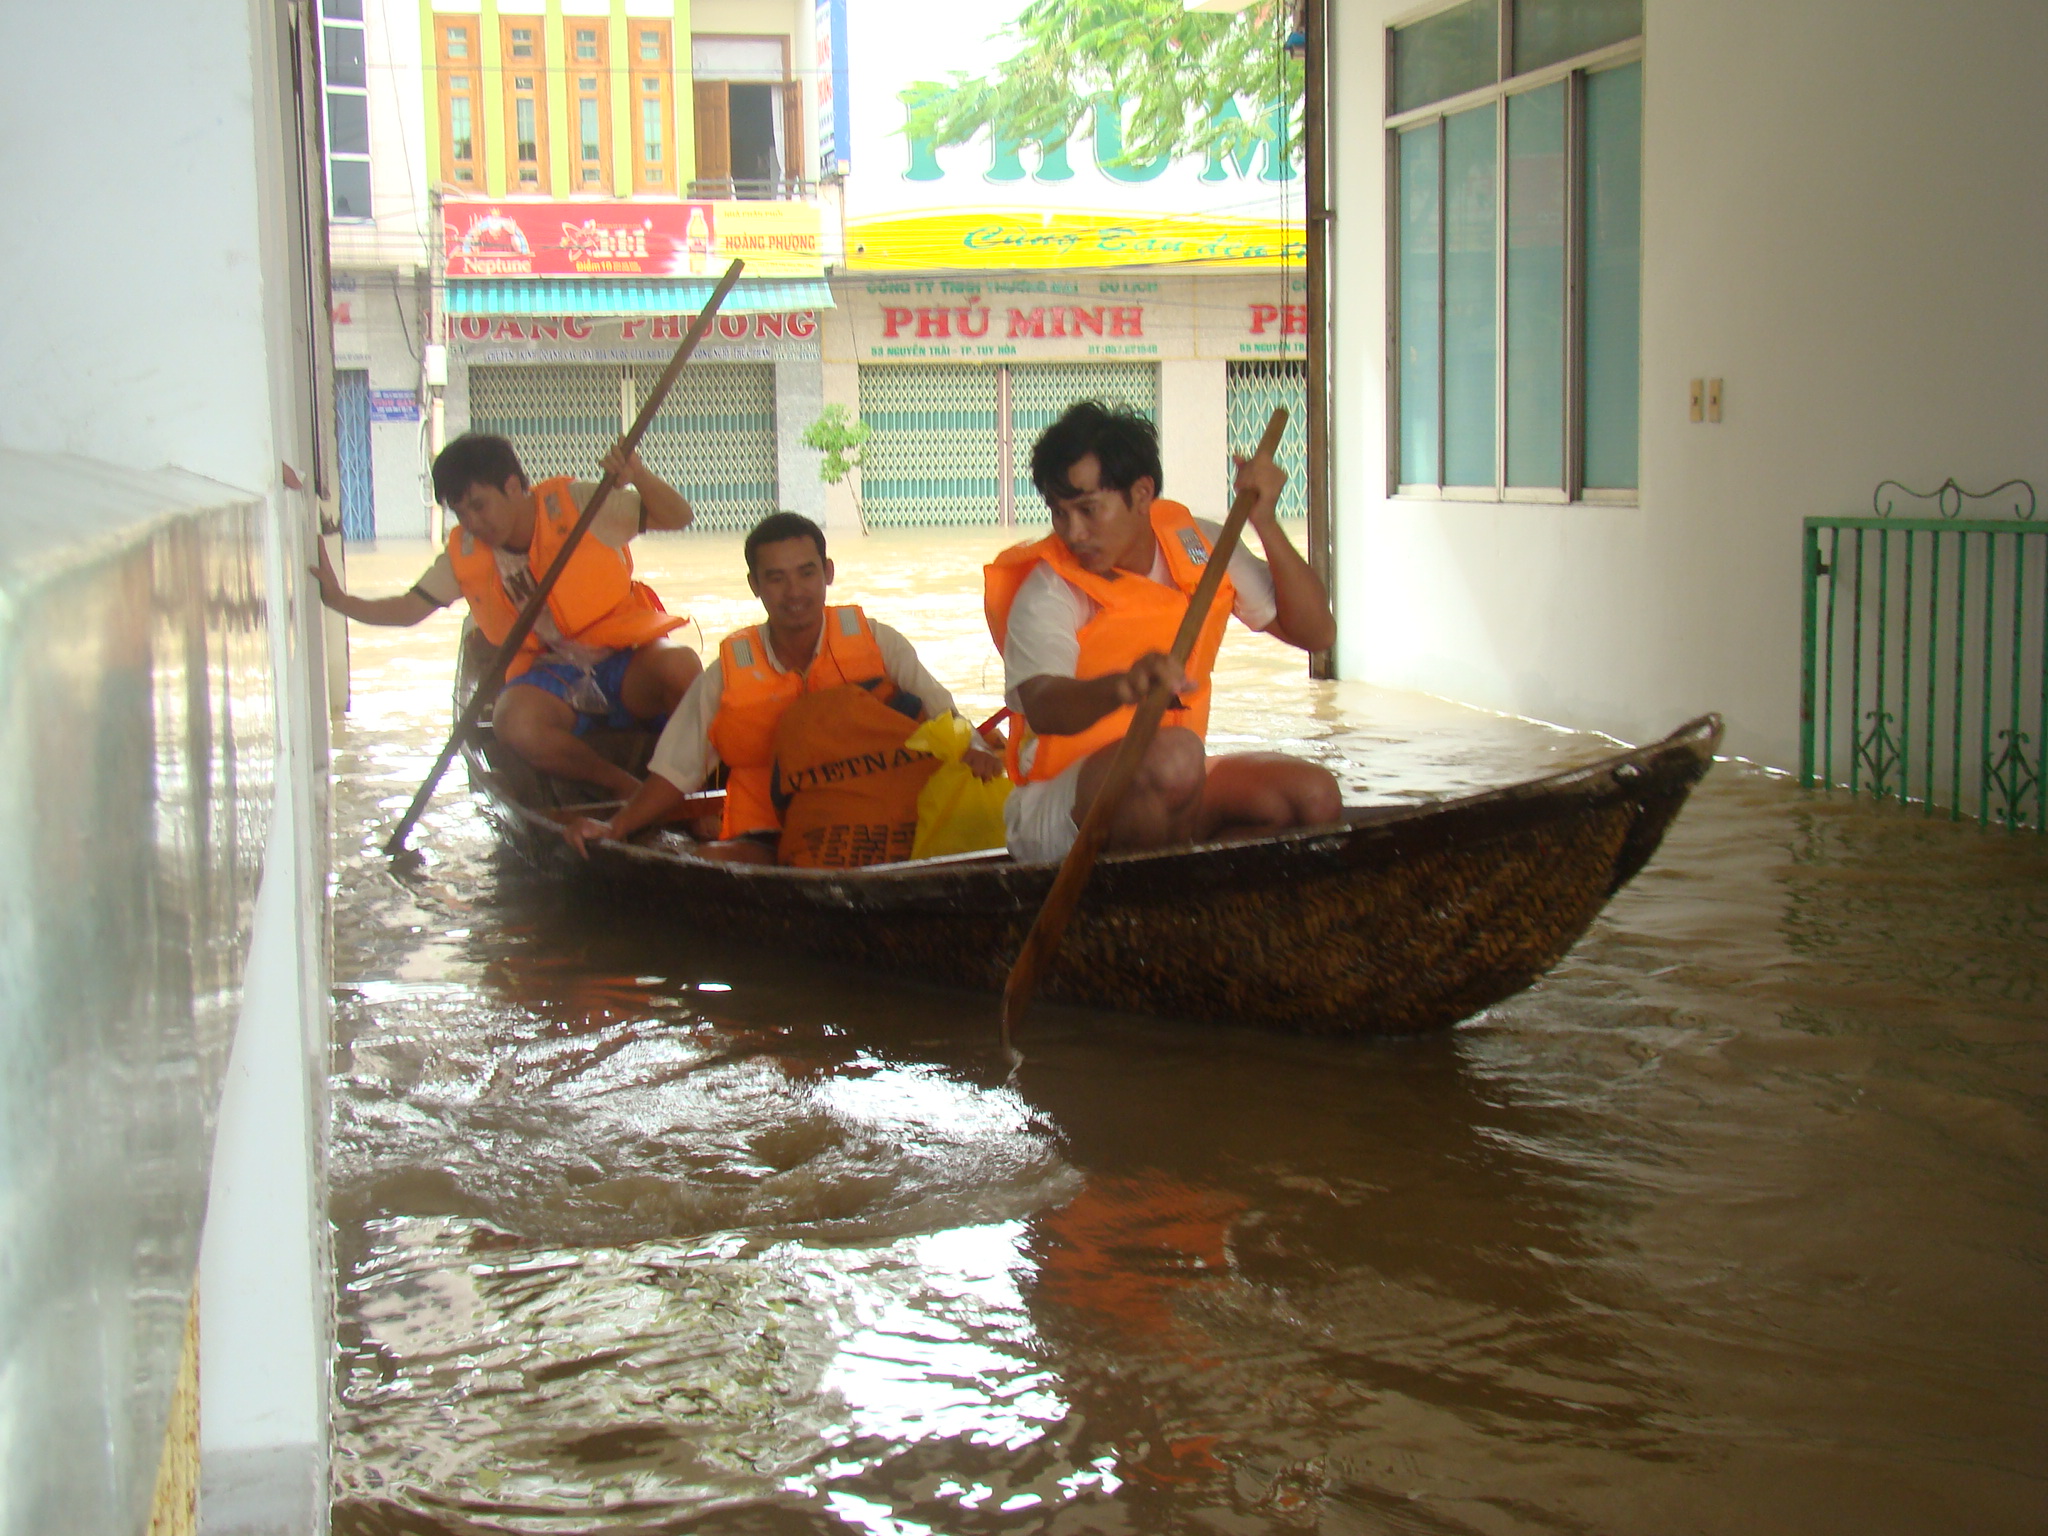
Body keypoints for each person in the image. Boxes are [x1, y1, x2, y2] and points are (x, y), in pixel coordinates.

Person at [984, 400, 1342, 863]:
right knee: (1176, 757)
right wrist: (1121, 687)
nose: (1073, 532)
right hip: (1056, 806)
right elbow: (1044, 704)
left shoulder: (1203, 545)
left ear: (1140, 493)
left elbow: (1316, 633)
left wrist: (1265, 521)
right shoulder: (1051, 589)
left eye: (1089, 510)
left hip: (1168, 779)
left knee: (1313, 797)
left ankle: (1206, 903)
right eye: (1059, 513)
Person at [563, 511, 1000, 862]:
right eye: (776, 578)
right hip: (767, 837)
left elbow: (948, 719)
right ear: (755, 585)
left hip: (887, 827)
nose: (795, 592)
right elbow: (676, 771)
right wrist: (615, 827)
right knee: (713, 861)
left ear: (827, 573)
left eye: (806, 573)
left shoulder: (878, 641)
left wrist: (977, 750)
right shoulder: (729, 672)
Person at [310, 431, 702, 798]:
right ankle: (627, 790)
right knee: (513, 723)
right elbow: (409, 609)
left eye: (480, 506)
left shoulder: (581, 503)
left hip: (623, 656)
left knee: (683, 666)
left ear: (513, 486)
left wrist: (638, 474)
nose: (474, 524)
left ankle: (687, 787)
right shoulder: (465, 553)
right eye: (462, 514)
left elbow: (678, 516)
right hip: (553, 672)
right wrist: (340, 601)